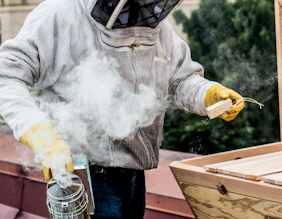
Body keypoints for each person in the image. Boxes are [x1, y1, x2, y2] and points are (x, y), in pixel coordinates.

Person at [0, 0, 244, 218]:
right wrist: (42, 137)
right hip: (83, 175)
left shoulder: (155, 26)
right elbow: (6, 77)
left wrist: (207, 94)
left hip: (135, 174)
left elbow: (179, 79)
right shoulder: (59, 15)